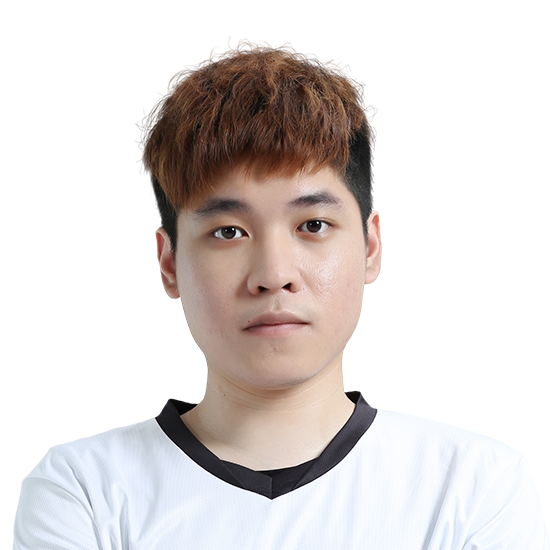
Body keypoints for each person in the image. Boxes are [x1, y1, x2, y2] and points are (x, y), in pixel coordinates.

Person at [13, 42, 548, 549]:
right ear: (170, 263)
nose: (273, 275)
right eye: (228, 232)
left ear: (370, 249)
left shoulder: (473, 489)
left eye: (312, 225)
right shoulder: (82, 492)